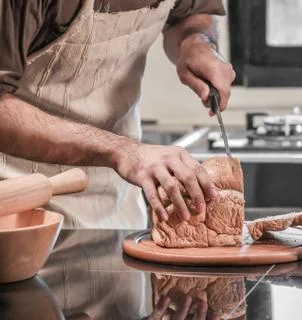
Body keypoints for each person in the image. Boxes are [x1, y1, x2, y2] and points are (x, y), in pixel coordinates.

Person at [0, 0, 236, 228]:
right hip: (19, 208)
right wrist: (123, 150)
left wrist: (197, 42)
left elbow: (192, 11)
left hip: (120, 206)